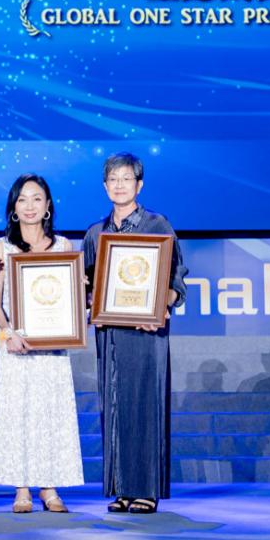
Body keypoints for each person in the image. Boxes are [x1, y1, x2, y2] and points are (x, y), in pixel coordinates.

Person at [82, 153, 187, 515]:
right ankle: (122, 489)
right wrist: (87, 301)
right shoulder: (95, 233)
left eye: (127, 179)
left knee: (145, 405)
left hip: (146, 334)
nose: (120, 185)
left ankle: (146, 490)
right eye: (113, 179)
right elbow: (88, 286)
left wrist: (160, 306)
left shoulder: (158, 225)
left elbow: (176, 279)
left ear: (139, 185)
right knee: (114, 407)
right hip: (110, 335)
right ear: (105, 186)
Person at [0, 174, 84, 513]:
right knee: (17, 415)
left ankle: (49, 487)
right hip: (14, 346)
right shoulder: (2, 248)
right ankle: (22, 488)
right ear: (13, 207)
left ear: (48, 205)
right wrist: (9, 334)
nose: (30, 206)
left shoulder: (64, 247)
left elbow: (70, 300)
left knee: (50, 415)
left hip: (51, 349)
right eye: (22, 199)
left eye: (37, 198)